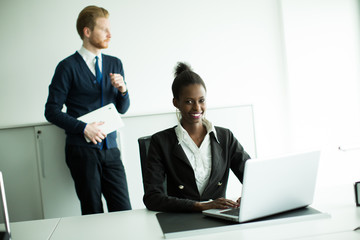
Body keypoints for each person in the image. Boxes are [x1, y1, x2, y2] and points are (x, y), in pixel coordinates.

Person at [44, 5, 131, 215]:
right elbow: (51, 111)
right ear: (87, 32)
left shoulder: (115, 63)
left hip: (110, 149)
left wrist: (123, 90)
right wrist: (84, 128)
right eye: (104, 29)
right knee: (92, 212)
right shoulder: (67, 67)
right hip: (81, 152)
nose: (110, 34)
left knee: (124, 210)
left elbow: (123, 108)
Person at [143, 62, 251, 212]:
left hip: (219, 219)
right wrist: (200, 206)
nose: (197, 108)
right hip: (180, 220)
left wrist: (249, 197)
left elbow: (253, 177)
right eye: (188, 102)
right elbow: (152, 198)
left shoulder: (225, 137)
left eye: (201, 100)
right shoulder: (160, 142)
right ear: (176, 103)